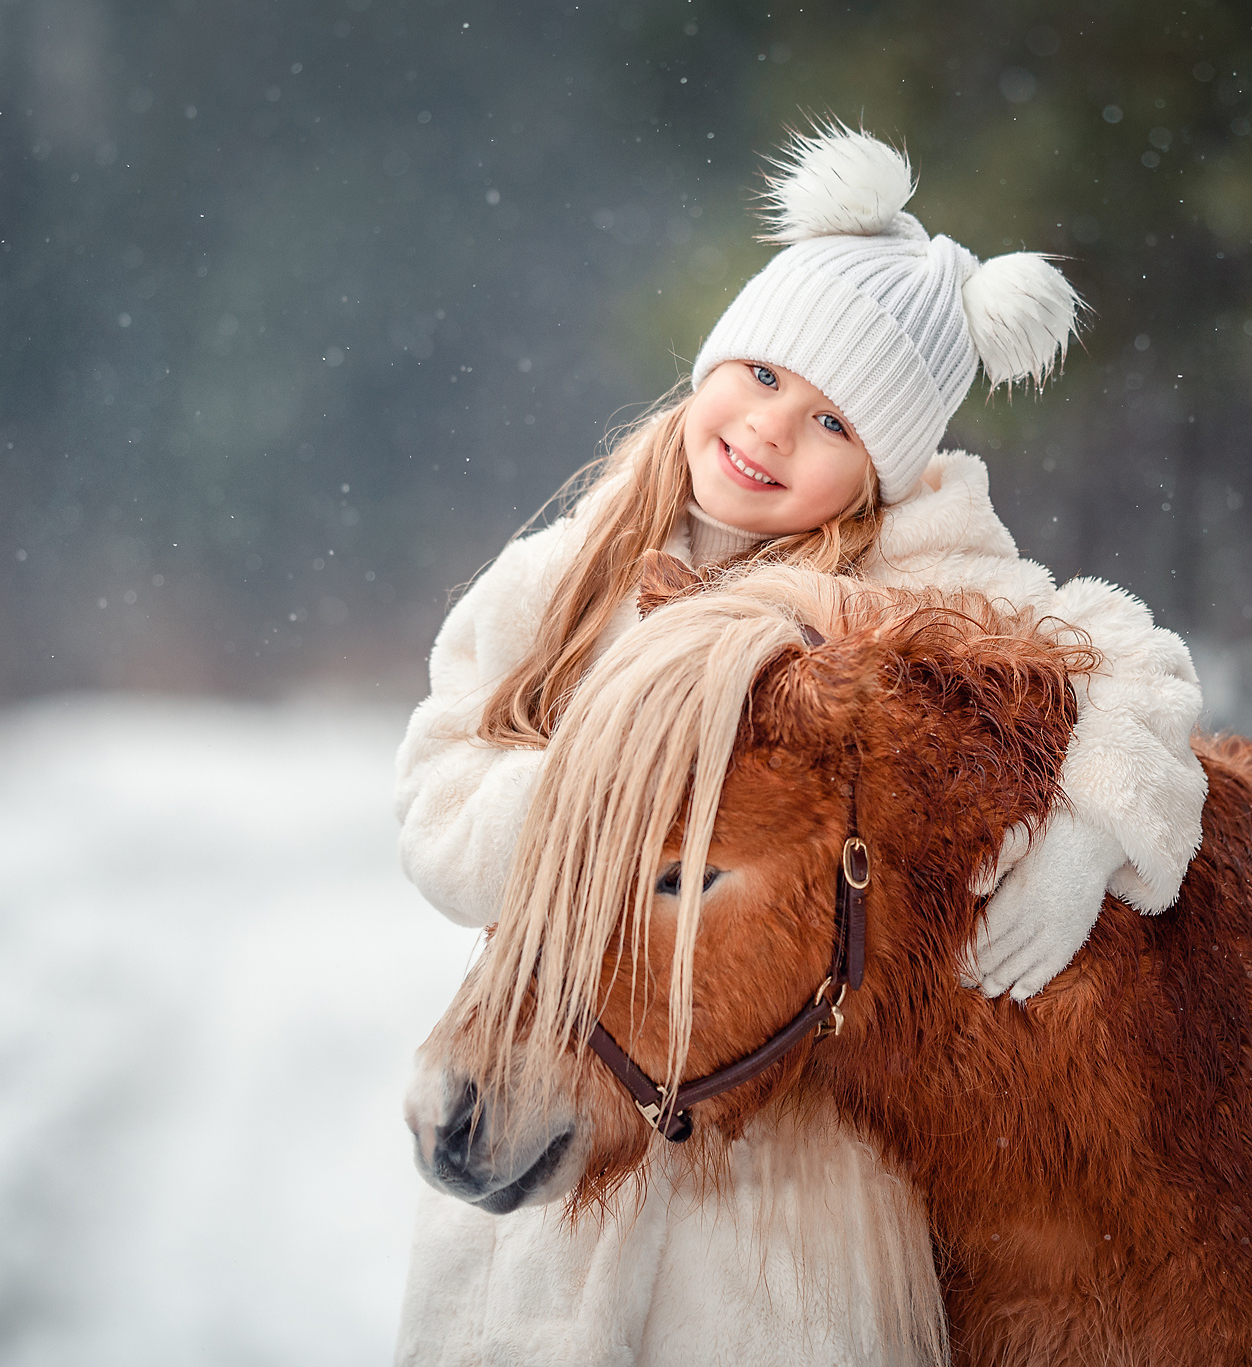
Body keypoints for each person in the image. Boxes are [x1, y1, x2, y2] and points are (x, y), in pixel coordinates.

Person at [392, 126, 1206, 1364]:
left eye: (831, 421)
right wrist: (607, 804)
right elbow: (441, 794)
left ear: (882, 473)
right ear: (717, 355)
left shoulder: (906, 586)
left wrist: (1094, 831)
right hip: (564, 1085)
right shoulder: (563, 579)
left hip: (785, 1171)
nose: (769, 431)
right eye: (763, 374)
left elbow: (1131, 661)